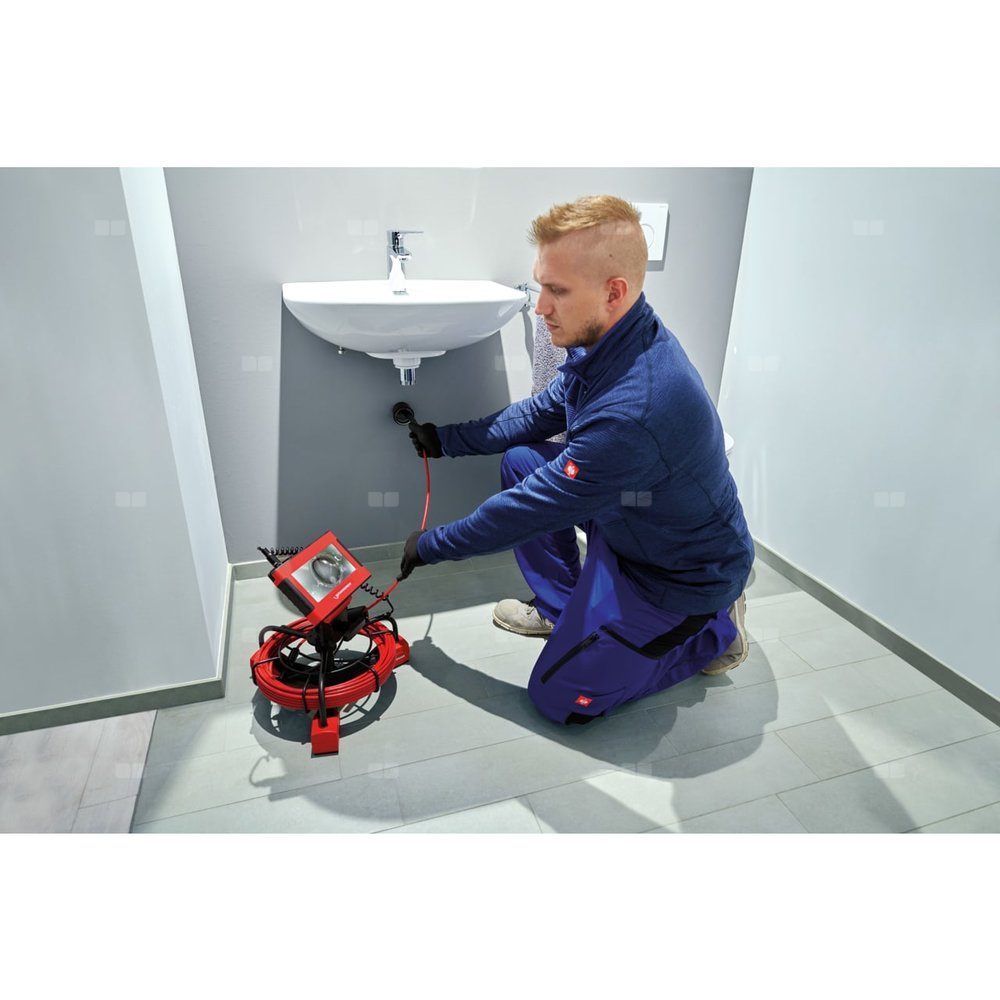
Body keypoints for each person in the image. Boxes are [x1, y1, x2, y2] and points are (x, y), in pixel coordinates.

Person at [399, 195, 754, 725]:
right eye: (541, 286)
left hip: (680, 577)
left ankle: (713, 628)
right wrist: (446, 440)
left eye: (557, 291)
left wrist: (429, 547)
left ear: (614, 292)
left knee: (559, 700)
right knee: (523, 460)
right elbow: (541, 412)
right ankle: (562, 610)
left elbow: (528, 511)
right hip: (636, 520)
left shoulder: (635, 407)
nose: (540, 307)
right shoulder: (610, 339)